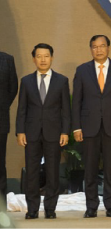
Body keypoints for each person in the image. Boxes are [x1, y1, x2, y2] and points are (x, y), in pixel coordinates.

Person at [72, 34, 111, 218]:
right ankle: (91, 207)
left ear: (108, 48)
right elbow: (77, 102)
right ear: (91, 49)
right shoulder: (82, 70)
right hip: (89, 127)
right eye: (95, 47)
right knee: (90, 168)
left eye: (102, 46)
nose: (99, 50)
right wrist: (77, 127)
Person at [15, 44, 69, 219]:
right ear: (34, 59)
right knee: (31, 172)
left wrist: (65, 132)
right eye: (39, 56)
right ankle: (32, 209)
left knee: (53, 172)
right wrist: (20, 131)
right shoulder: (26, 81)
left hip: (54, 132)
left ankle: (50, 209)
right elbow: (21, 108)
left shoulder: (62, 80)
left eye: (46, 56)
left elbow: (65, 110)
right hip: (31, 133)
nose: (43, 59)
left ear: (52, 58)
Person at [0, 49, 17, 212]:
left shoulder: (7, 59)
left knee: (0, 164)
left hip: (0, 119)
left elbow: (13, 88)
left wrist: (2, 106)